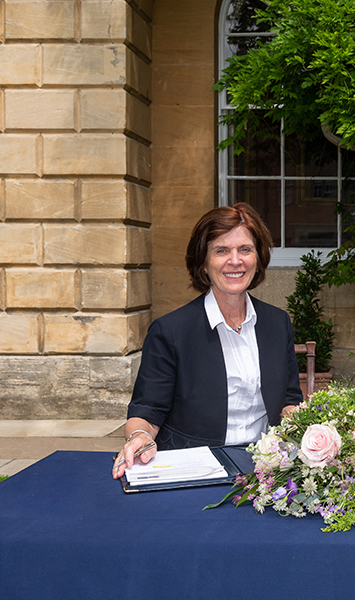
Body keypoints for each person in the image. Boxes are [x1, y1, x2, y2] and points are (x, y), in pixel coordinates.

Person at [113, 203, 303, 478]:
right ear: (203, 262)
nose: (235, 260)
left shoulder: (277, 323)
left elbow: (289, 398)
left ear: (258, 258)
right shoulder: (170, 331)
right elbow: (148, 409)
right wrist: (140, 436)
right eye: (221, 251)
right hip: (194, 469)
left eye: (245, 250)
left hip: (266, 469)